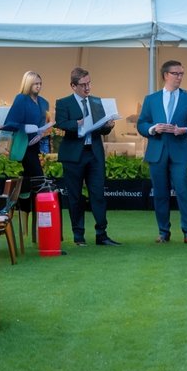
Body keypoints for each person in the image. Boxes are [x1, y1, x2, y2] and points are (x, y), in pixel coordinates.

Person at [137, 60, 187, 243]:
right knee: (160, 193)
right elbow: (141, 124)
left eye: (182, 73)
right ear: (166, 75)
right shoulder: (151, 99)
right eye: (176, 73)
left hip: (180, 152)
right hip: (157, 151)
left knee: (183, 191)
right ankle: (163, 232)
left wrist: (183, 130)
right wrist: (153, 129)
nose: (180, 77)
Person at [55, 67, 118, 246]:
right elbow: (61, 123)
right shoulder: (63, 103)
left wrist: (108, 125)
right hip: (73, 155)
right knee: (75, 196)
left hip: (94, 153)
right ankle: (78, 236)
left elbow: (101, 128)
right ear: (73, 86)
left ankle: (102, 234)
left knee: (98, 194)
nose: (87, 88)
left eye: (89, 83)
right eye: (83, 85)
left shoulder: (96, 101)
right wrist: (79, 123)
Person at [1, 70, 50, 212]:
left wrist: (43, 131)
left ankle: (23, 209)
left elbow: (42, 124)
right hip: (23, 146)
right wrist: (24, 127)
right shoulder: (21, 99)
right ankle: (37, 210)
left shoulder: (43, 102)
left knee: (28, 182)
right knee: (38, 179)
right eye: (35, 84)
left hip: (36, 144)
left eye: (40, 84)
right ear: (28, 84)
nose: (38, 86)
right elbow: (9, 123)